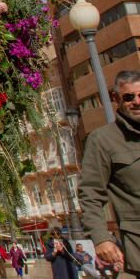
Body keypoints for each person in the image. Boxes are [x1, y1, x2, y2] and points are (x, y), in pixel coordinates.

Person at [79, 70, 140, 277]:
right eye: (129, 97)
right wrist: (100, 238)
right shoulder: (103, 140)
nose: (137, 102)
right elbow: (90, 193)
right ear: (116, 99)